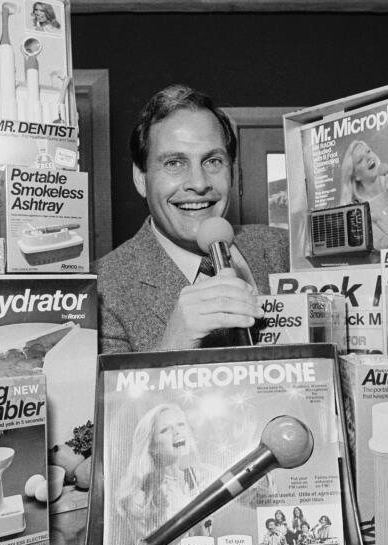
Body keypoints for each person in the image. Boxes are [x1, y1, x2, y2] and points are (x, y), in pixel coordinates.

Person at [95, 84, 289, 353]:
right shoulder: (100, 289)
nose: (198, 183)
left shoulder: (284, 249)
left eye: (212, 161)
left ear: (231, 172)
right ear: (141, 178)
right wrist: (170, 349)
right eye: (174, 163)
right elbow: (106, 395)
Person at [113, 403, 215, 545]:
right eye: (165, 430)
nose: (177, 432)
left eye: (180, 424)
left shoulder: (207, 476)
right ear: (152, 446)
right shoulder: (141, 496)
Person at [338, 140, 388, 248]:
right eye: (360, 160)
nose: (369, 158)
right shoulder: (359, 215)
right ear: (355, 176)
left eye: (368, 152)